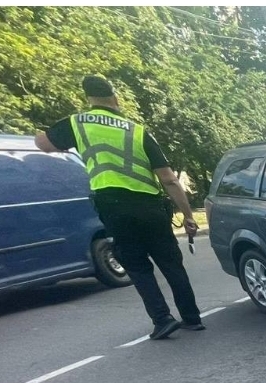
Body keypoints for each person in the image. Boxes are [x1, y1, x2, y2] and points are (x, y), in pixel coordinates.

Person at [35, 75, 204, 340]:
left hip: (113, 207)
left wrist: (44, 133)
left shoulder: (77, 123)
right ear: (115, 99)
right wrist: (188, 215)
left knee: (136, 265)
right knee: (171, 263)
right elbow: (169, 179)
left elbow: (43, 144)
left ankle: (162, 319)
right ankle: (192, 317)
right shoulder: (136, 130)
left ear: (88, 98)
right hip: (150, 205)